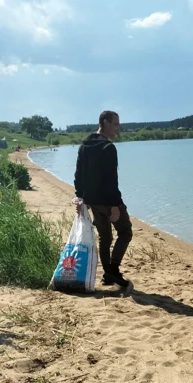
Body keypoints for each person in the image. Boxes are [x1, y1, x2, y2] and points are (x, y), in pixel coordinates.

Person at [73, 110, 133, 292]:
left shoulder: (84, 146)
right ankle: (113, 270)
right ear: (105, 122)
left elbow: (79, 174)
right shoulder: (108, 148)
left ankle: (108, 274)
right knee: (125, 232)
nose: (118, 128)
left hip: (93, 201)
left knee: (105, 237)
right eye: (115, 124)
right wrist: (115, 205)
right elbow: (111, 179)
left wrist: (80, 197)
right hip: (108, 201)